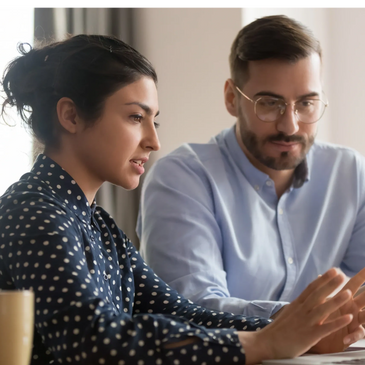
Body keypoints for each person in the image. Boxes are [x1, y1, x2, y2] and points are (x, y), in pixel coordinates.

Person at [1, 34, 365, 365]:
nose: (153, 141)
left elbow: (182, 313)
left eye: (153, 121)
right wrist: (263, 343)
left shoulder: (96, 224)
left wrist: (298, 331)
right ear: (71, 116)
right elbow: (92, 342)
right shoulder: (35, 212)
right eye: (134, 117)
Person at [136, 14, 365, 320]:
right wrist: (314, 323)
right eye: (270, 103)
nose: (290, 125)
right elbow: (194, 309)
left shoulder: (350, 173)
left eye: (306, 103)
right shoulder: (181, 179)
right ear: (232, 98)